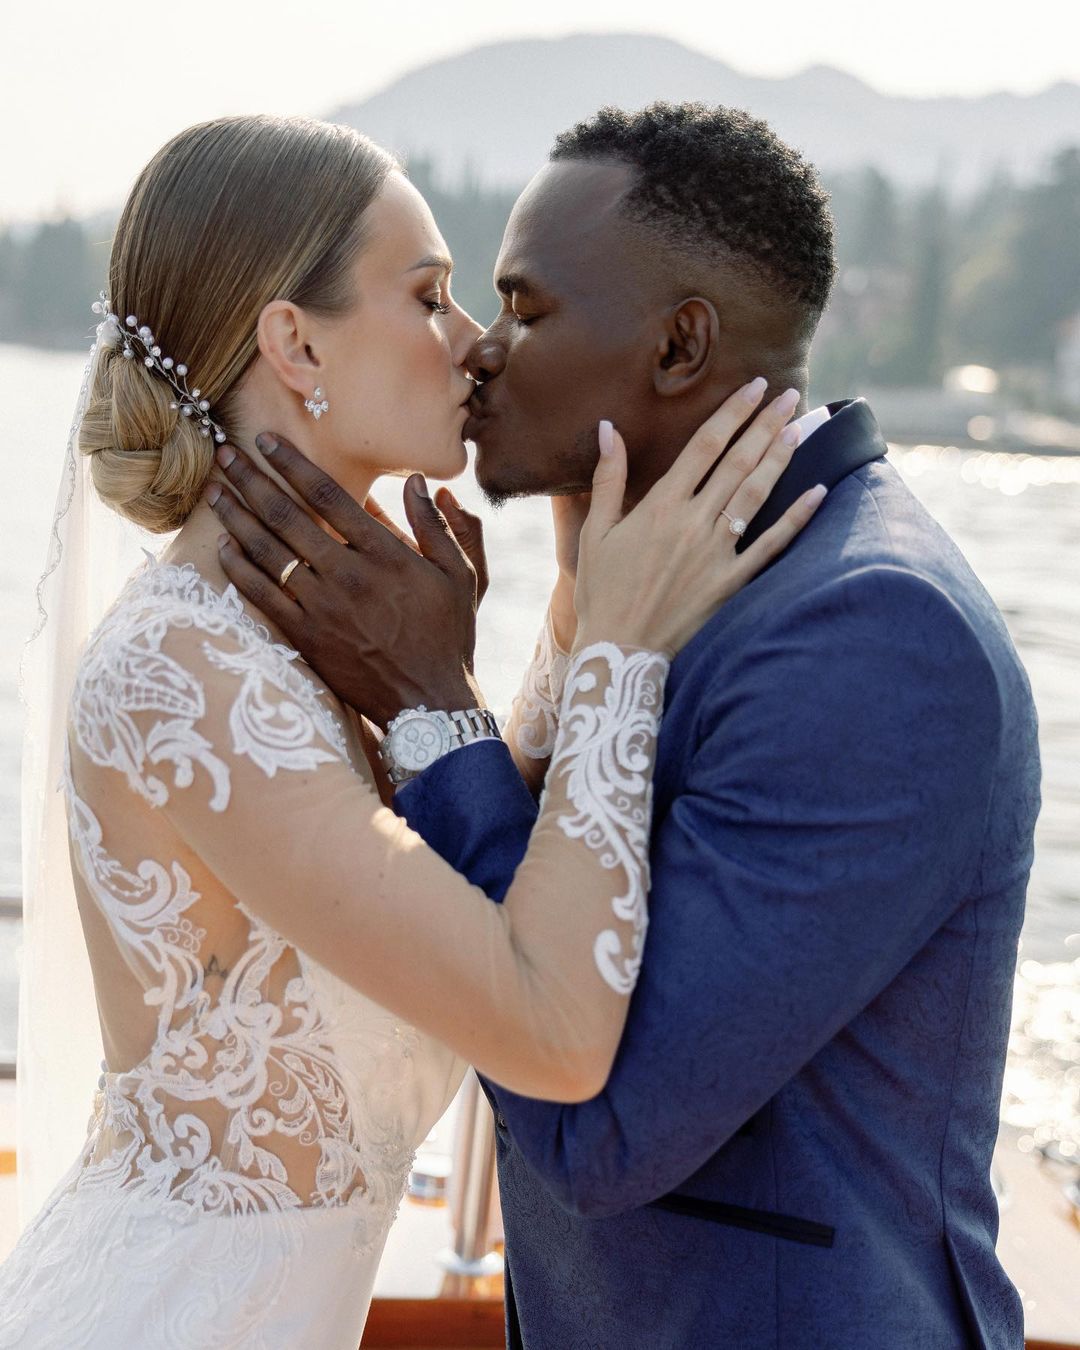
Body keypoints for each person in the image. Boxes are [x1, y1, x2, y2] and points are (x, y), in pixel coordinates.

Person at [214, 104, 1041, 1348]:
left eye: (527, 308)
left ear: (678, 347)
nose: (481, 352)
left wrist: (431, 707)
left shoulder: (874, 633)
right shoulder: (653, 585)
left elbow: (606, 1126)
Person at [4, 113, 820, 1347]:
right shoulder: (189, 671)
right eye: (430, 295)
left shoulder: (304, 641)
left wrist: (577, 596)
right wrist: (621, 652)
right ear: (294, 340)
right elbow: (548, 1027)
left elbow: (510, 865)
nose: (474, 342)